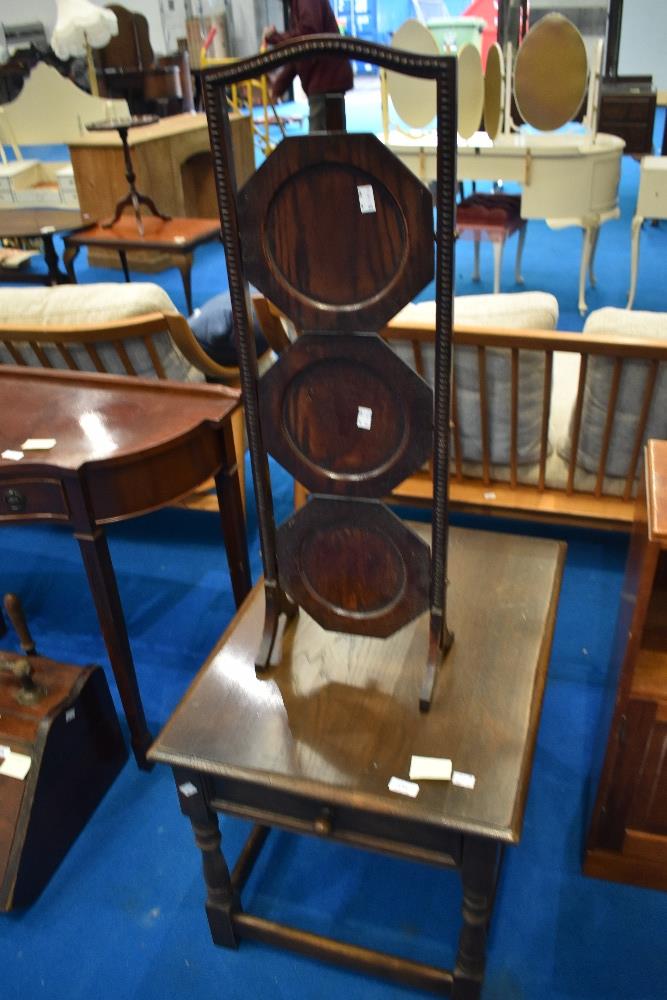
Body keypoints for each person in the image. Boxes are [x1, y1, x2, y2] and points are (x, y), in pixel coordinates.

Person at [262, 0, 353, 132]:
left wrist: (275, 37)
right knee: (331, 143)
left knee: (319, 144)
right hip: (325, 80)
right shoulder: (297, 5)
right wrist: (278, 88)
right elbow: (300, 53)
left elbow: (308, 34)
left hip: (325, 80)